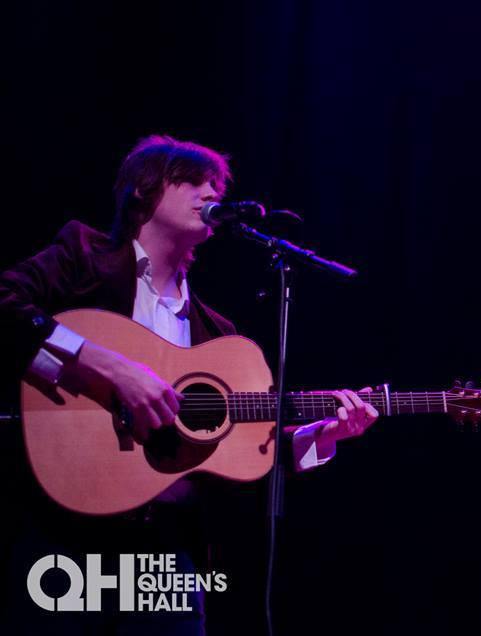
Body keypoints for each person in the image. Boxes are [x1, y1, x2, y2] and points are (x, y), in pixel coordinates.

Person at [0, 135, 378, 634]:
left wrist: (321, 436)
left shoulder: (219, 335)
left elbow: (241, 450)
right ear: (142, 190)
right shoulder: (83, 255)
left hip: (167, 553)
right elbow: (5, 305)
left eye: (216, 185)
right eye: (193, 181)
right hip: (65, 532)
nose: (209, 193)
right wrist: (107, 366)